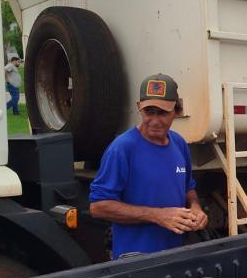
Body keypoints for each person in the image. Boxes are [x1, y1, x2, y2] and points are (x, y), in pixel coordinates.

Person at [89, 74, 208, 259]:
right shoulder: (122, 149)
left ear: (176, 110)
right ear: (139, 108)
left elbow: (188, 189)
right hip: (135, 261)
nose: (154, 120)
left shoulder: (179, 144)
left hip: (176, 256)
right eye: (149, 112)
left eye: (162, 113)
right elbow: (98, 207)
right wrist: (157, 215)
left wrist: (195, 208)